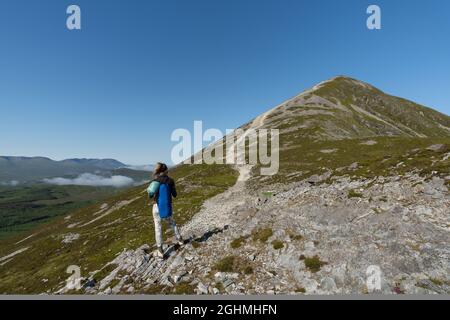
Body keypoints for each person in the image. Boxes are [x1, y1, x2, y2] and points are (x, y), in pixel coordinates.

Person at [148, 162, 183, 259]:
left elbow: (150, 195)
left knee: (158, 228)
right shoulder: (170, 181)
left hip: (156, 207)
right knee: (172, 223)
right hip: (167, 207)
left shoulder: (155, 181)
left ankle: (160, 251)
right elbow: (175, 194)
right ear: (166, 170)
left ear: (158, 171)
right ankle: (180, 240)